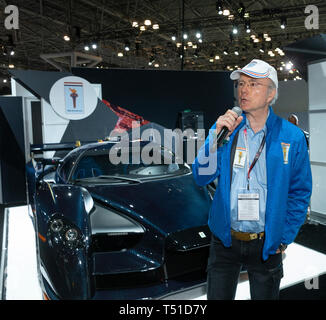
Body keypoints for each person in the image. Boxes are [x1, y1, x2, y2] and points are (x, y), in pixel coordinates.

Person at [192, 59, 312, 300]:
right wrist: (214, 139)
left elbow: (299, 193)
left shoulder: (292, 137)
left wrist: (284, 236)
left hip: (266, 244)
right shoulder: (228, 130)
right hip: (225, 240)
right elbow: (201, 176)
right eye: (241, 84)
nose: (243, 90)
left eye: (253, 84)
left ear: (271, 94)